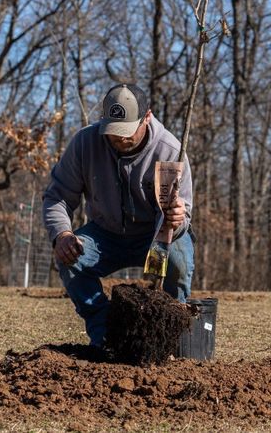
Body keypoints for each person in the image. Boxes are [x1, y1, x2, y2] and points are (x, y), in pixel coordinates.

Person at [42, 83, 194, 348]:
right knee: (70, 259)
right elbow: (57, 197)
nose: (118, 139)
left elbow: (183, 217)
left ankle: (171, 341)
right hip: (105, 235)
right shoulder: (85, 143)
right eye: (112, 131)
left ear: (147, 116)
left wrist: (177, 218)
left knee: (179, 260)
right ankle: (106, 335)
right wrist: (62, 234)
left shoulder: (169, 151)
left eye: (126, 132)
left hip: (154, 236)